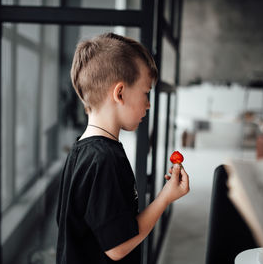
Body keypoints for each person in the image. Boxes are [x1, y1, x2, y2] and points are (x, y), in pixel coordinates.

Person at [56, 32, 190, 264]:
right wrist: (165, 198)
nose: (148, 105)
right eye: (146, 93)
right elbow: (117, 247)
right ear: (119, 93)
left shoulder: (81, 150)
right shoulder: (104, 159)